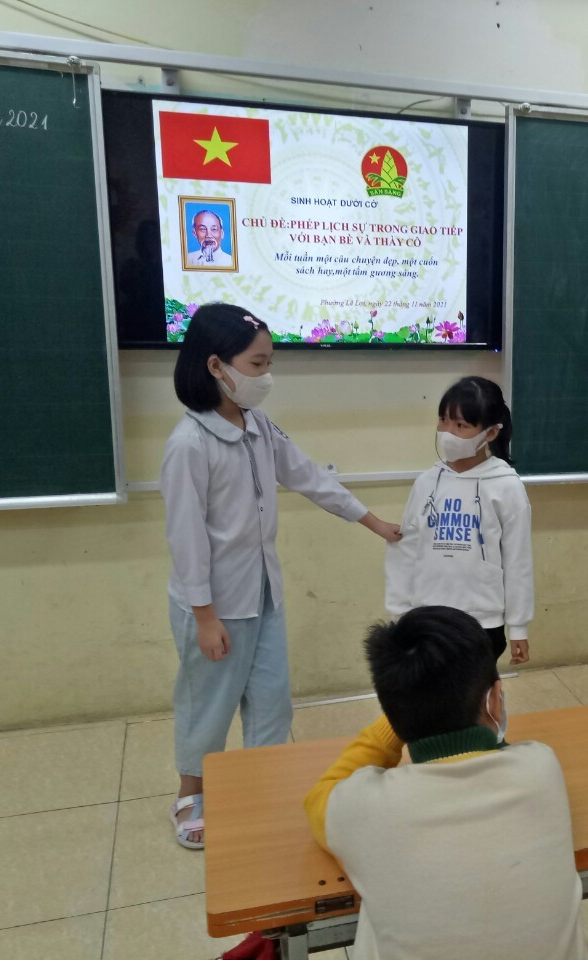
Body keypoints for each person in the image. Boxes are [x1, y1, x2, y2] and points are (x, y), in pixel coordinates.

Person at [162, 303, 400, 849]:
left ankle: (260, 784)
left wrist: (372, 521)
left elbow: (309, 477)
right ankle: (190, 793)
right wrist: (204, 617)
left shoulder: (258, 425)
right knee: (209, 702)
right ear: (216, 366)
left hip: (263, 593)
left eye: (270, 362)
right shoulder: (189, 444)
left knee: (271, 701)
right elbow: (186, 539)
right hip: (214, 604)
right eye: (257, 364)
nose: (266, 375)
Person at [303, 606, 588, 960]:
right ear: (495, 698)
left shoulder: (360, 807)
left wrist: (400, 716)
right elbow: (497, 751)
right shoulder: (541, 767)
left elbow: (320, 795)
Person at [384, 376, 533, 665]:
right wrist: (400, 613)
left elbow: (518, 562)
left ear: (490, 433)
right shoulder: (427, 482)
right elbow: (405, 551)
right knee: (430, 691)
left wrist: (518, 626)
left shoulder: (506, 486)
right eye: (443, 420)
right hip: (427, 618)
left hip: (482, 622)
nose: (447, 433)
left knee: (475, 692)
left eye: (461, 425)